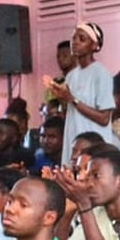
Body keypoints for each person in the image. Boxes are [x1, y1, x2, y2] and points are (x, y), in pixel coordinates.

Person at [46, 21, 115, 167]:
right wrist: (62, 99)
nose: (75, 42)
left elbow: (104, 118)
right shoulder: (71, 76)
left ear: (94, 46)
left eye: (82, 39)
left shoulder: (101, 74)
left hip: (93, 146)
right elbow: (71, 112)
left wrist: (72, 99)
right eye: (74, 38)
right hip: (73, 141)